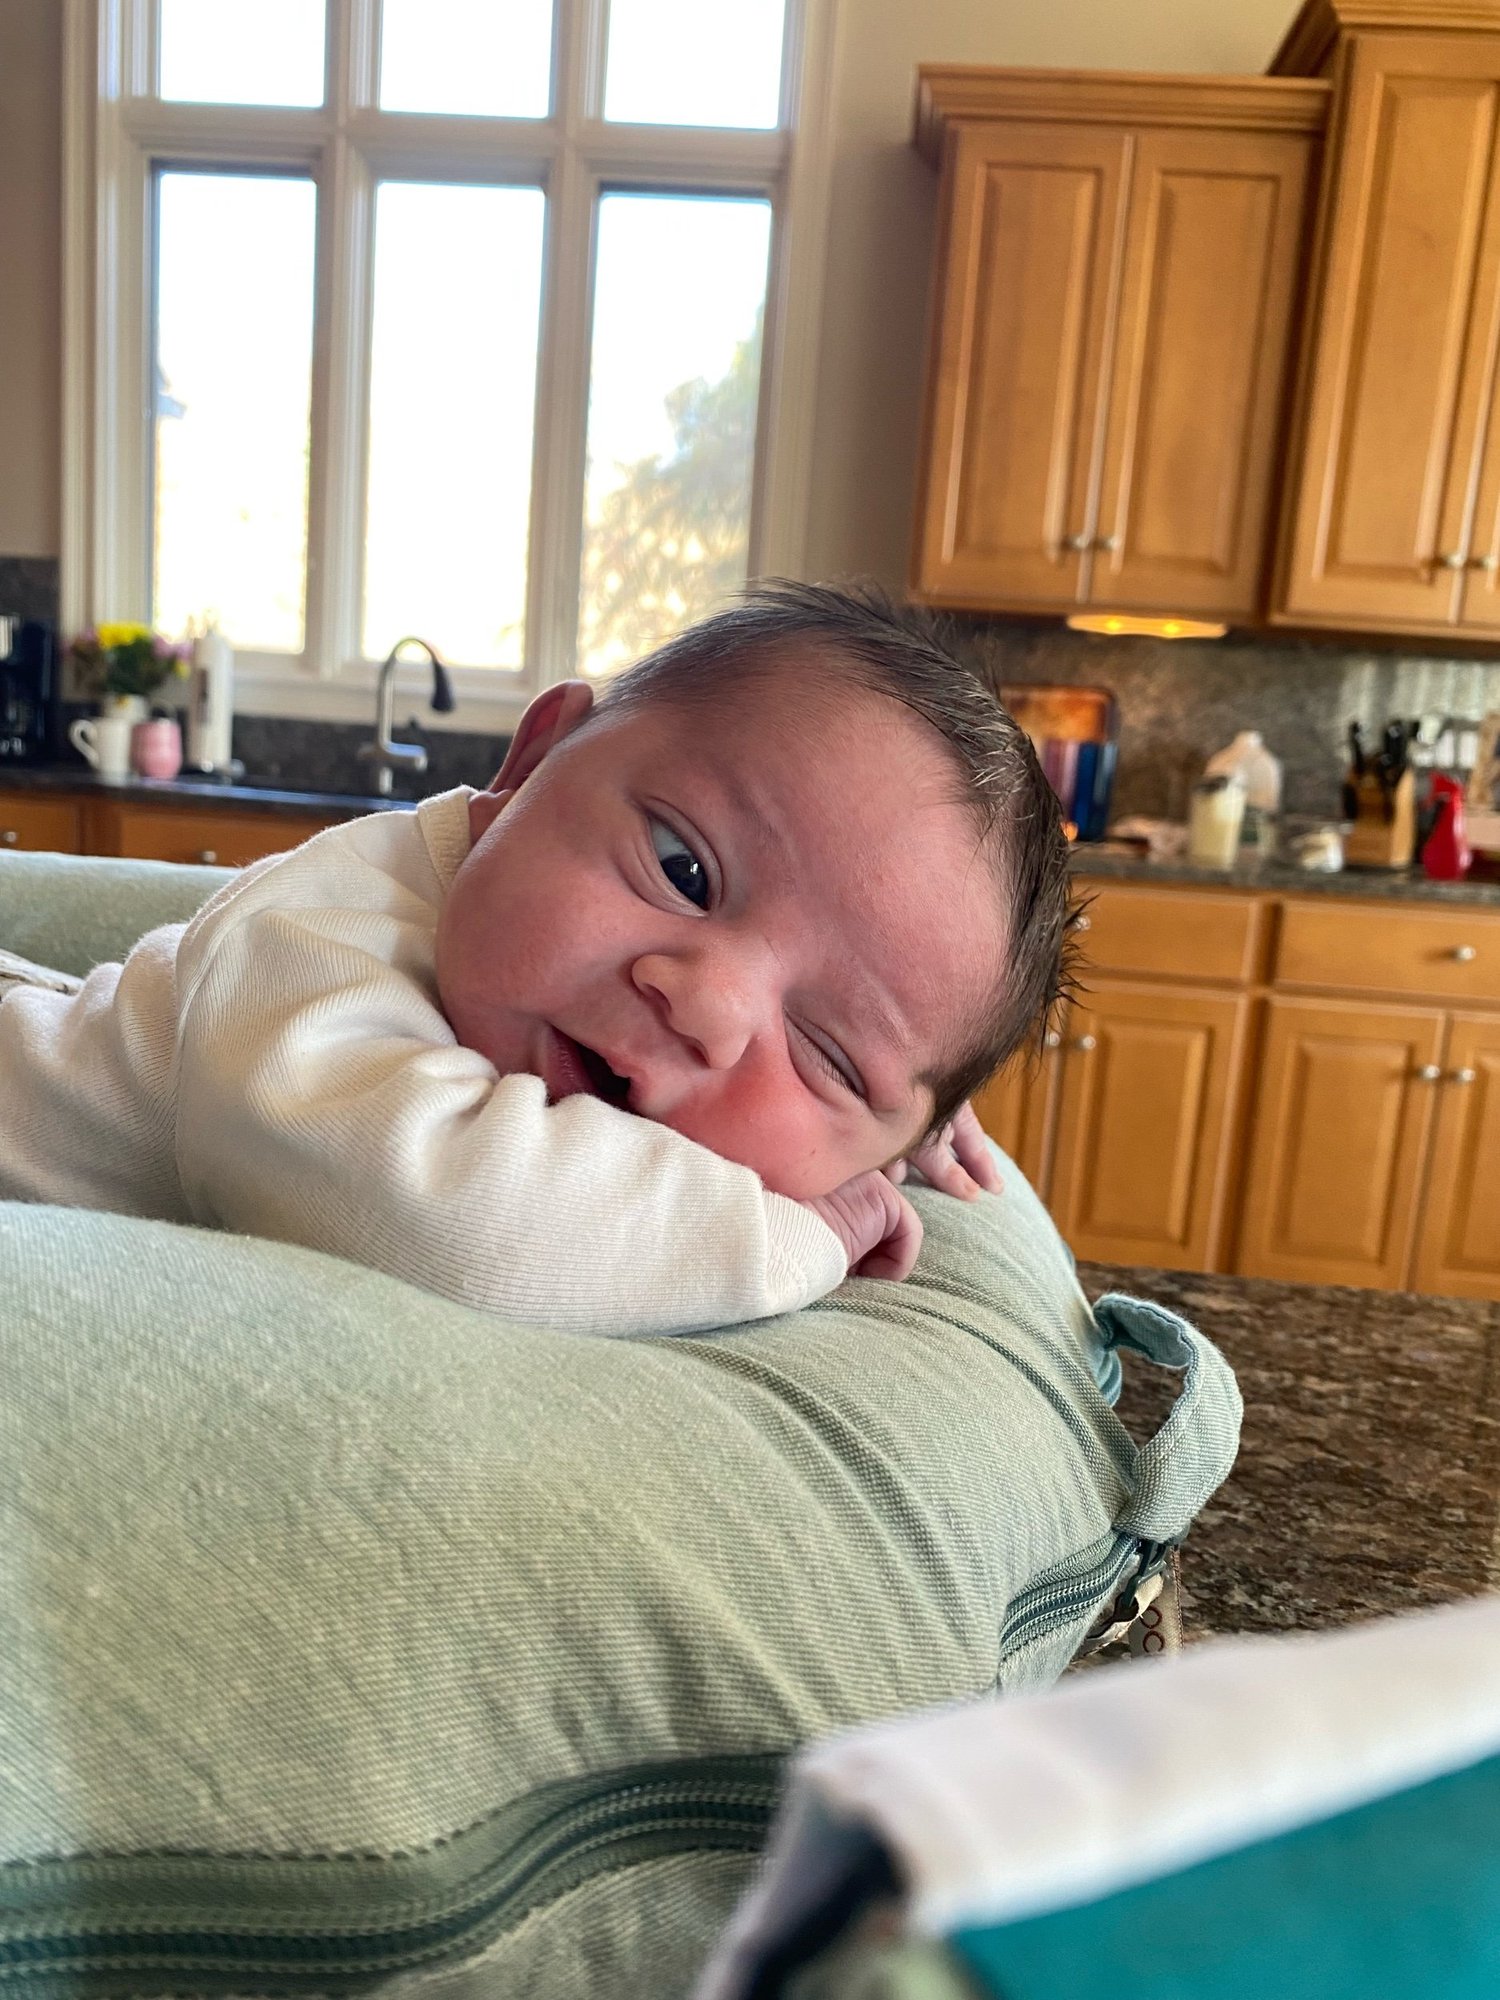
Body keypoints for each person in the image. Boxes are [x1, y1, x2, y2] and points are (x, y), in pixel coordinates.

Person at [0, 582, 1073, 1337]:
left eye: (829, 1053)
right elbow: (448, 1225)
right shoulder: (313, 936)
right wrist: (802, 1229)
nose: (707, 1003)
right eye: (682, 869)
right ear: (530, 762)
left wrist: (882, 1130)